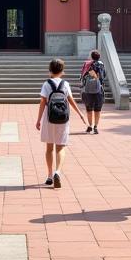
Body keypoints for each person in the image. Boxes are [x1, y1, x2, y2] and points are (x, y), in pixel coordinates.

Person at [35, 57, 85, 188]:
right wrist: (80, 114)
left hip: (49, 119)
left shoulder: (46, 84)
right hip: (63, 119)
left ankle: (50, 175)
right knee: (61, 147)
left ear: (50, 70)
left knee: (49, 148)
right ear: (62, 71)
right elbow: (70, 100)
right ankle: (58, 171)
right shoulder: (65, 84)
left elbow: (42, 103)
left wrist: (38, 120)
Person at [79, 49, 107, 134]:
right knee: (97, 110)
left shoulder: (87, 64)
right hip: (99, 90)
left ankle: (90, 126)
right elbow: (103, 76)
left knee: (89, 109)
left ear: (91, 56)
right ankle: (96, 127)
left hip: (88, 90)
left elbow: (82, 77)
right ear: (99, 57)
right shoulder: (101, 65)